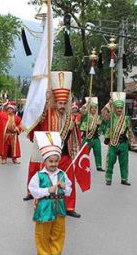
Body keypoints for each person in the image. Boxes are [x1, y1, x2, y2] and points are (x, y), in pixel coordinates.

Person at [25, 71, 81, 218]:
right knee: (46, 181)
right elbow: (39, 118)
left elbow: (74, 138)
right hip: (50, 156)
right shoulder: (48, 114)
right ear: (56, 102)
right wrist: (45, 101)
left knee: (69, 181)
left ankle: (69, 207)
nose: (62, 106)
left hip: (65, 155)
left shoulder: (71, 118)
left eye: (64, 103)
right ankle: (44, 204)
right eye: (59, 103)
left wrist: (75, 155)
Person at [28, 132, 71, 255]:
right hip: (44, 207)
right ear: (45, 161)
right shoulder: (38, 175)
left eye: (56, 161)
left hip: (60, 206)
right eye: (50, 161)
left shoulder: (63, 174)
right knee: (43, 231)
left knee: (58, 231)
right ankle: (45, 253)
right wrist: (48, 190)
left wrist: (64, 187)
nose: (53, 164)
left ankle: (56, 252)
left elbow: (69, 192)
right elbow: (33, 190)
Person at [102, 92, 137, 186]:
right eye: (117, 108)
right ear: (114, 108)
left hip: (123, 143)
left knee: (124, 162)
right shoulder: (111, 117)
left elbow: (129, 131)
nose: (119, 109)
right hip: (113, 143)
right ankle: (108, 178)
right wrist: (109, 104)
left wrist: (133, 143)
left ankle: (124, 179)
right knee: (110, 161)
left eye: (121, 108)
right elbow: (103, 114)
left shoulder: (126, 119)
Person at [80, 97, 104, 171]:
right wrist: (87, 103)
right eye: (92, 108)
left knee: (98, 151)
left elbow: (102, 126)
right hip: (87, 137)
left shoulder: (98, 117)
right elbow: (82, 111)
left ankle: (99, 166)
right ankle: (83, 165)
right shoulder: (86, 116)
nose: (94, 109)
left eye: (95, 108)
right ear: (90, 109)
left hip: (96, 137)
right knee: (85, 152)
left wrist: (99, 125)